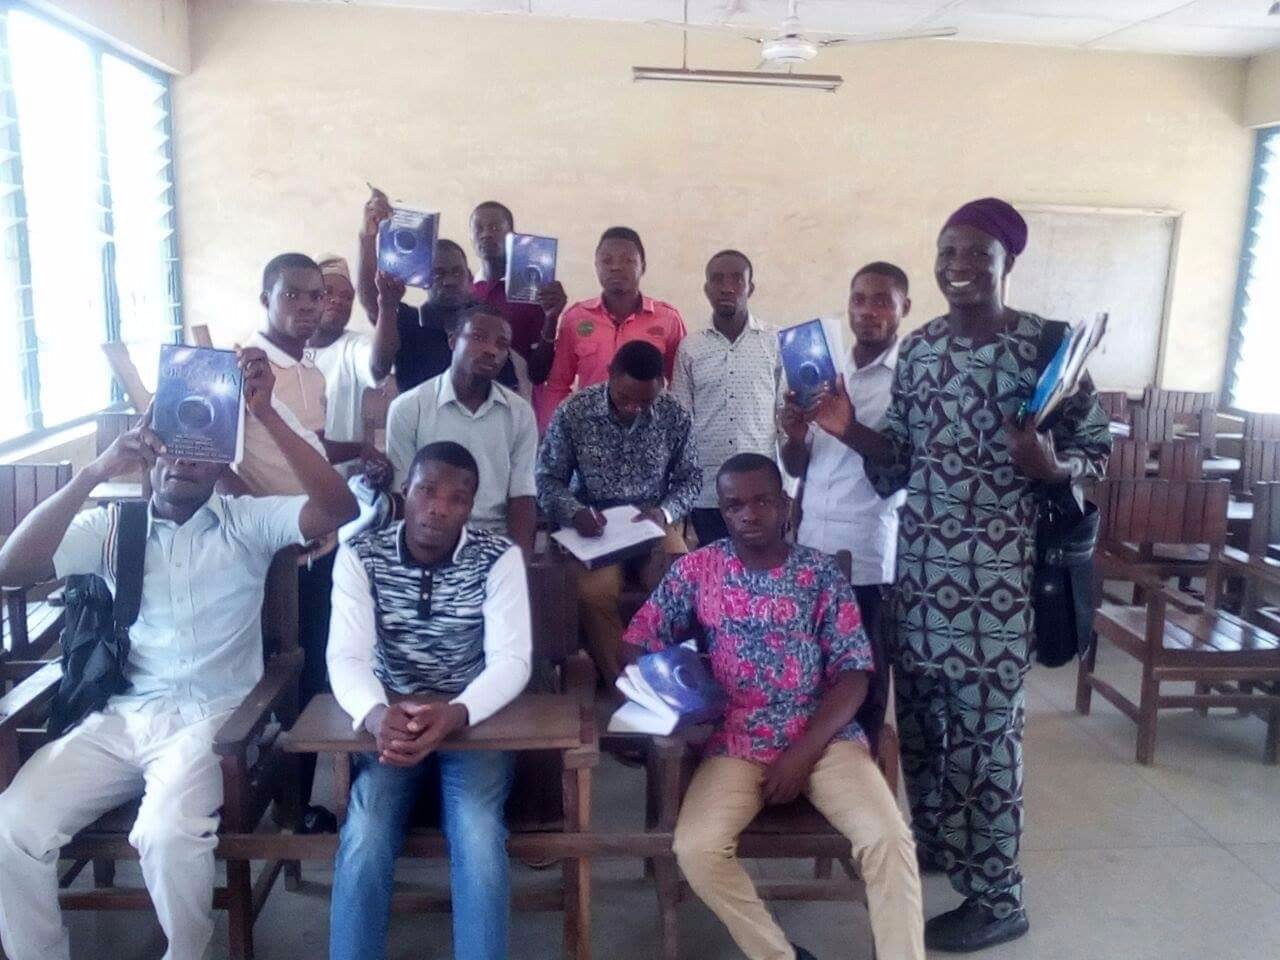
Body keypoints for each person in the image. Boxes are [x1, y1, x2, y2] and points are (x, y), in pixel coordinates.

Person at [804, 198, 1111, 951]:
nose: (959, 266)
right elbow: (899, 463)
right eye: (948, 252)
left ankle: (999, 898)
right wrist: (850, 432)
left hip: (997, 590)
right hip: (919, 578)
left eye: (978, 253)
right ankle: (943, 847)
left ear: (1008, 263)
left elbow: (1098, 458)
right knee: (923, 732)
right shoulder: (923, 349)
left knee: (986, 744)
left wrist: (1053, 468)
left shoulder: (1047, 346)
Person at [0, 352, 357, 960]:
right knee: (13, 825)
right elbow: (13, 568)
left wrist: (266, 415)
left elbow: (337, 509)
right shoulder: (113, 527)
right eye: (170, 446)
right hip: (123, 715)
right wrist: (92, 474)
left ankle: (188, 952)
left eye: (201, 450)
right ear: (151, 451)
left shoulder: (245, 523)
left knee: (165, 834)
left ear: (222, 461)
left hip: (215, 720)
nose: (183, 461)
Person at [623, 453, 925, 960]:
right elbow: (638, 638)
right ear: (722, 511)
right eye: (734, 505)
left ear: (784, 505)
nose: (749, 514)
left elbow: (855, 673)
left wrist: (803, 752)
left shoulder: (819, 573)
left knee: (889, 838)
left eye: (762, 500)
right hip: (736, 739)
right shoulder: (699, 569)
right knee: (696, 848)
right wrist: (670, 693)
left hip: (824, 737)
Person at [326, 440, 530, 960]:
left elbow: (511, 660)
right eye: (427, 491)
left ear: (471, 507)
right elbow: (346, 656)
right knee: (365, 832)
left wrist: (458, 711)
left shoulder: (498, 558)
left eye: (456, 499)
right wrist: (375, 715)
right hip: (391, 722)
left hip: (473, 722)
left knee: (478, 834)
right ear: (405, 492)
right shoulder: (360, 554)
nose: (438, 508)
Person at [236, 251, 369, 831]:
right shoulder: (241, 369)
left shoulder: (311, 372)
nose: (309, 306)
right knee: (266, 678)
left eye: (317, 296)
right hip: (266, 554)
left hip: (320, 548)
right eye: (292, 294)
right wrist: (264, 524)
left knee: (313, 674)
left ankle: (296, 803)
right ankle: (259, 798)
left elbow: (311, 449)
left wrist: (362, 453)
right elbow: (220, 467)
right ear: (265, 299)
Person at [536, 340, 700, 682]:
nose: (634, 409)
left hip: (652, 520)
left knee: (683, 581)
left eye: (645, 402)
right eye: (625, 398)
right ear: (610, 374)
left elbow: (691, 478)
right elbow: (547, 479)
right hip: (594, 525)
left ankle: (674, 681)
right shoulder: (574, 412)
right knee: (593, 594)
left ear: (661, 386)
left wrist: (665, 513)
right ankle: (627, 686)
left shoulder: (674, 414)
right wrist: (574, 512)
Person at [780, 262, 910, 639]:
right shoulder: (827, 371)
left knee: (864, 658)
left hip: (866, 548)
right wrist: (795, 437)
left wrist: (849, 430)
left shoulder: (910, 378)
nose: (867, 311)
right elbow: (797, 467)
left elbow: (905, 463)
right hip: (809, 540)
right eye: (858, 300)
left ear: (905, 307)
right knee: (810, 654)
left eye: (882, 301)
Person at [385, 303, 538, 556]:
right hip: (429, 540)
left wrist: (518, 564)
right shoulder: (409, 408)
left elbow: (523, 496)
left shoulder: (520, 412)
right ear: (453, 341)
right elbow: (403, 496)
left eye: (502, 344)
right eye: (478, 337)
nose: (491, 350)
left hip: (493, 541)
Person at [671, 249, 780, 547]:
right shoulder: (690, 348)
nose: (727, 287)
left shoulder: (774, 342)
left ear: (750, 287)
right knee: (715, 568)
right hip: (709, 491)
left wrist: (791, 487)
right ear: (707, 289)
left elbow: (786, 417)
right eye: (717, 280)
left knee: (764, 568)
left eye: (736, 279)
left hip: (764, 488)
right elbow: (681, 422)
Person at [537, 226, 686, 431]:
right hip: (591, 432)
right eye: (606, 261)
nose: (616, 267)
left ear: (642, 266)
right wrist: (552, 432)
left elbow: (680, 385)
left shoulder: (668, 319)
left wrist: (671, 432)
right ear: (596, 266)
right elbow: (558, 385)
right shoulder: (575, 318)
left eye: (627, 260)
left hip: (648, 432)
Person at [469, 199, 567, 383]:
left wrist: (551, 319)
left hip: (514, 396)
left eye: (495, 228)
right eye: (478, 228)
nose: (486, 234)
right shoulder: (465, 290)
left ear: (512, 236)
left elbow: (538, 374)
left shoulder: (532, 293)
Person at [305, 254, 380, 455]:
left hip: (342, 470)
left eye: (347, 297)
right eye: (327, 292)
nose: (338, 301)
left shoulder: (355, 346)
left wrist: (385, 308)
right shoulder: (285, 351)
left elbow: (378, 365)